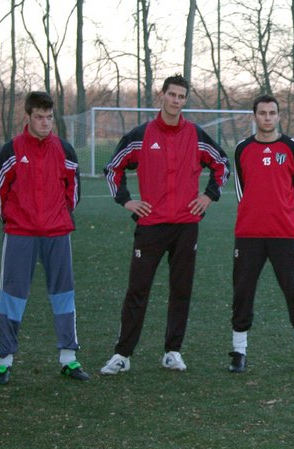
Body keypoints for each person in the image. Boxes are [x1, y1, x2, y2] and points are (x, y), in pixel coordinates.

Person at [100, 74, 230, 376]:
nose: (176, 101)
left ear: (186, 100)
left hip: (186, 225)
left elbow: (221, 163)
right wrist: (126, 200)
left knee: (181, 289)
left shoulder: (196, 135)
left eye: (182, 97)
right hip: (151, 225)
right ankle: (122, 354)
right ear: (162, 95)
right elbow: (113, 168)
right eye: (172, 95)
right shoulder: (141, 135)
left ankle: (172, 352)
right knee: (138, 289)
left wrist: (209, 196)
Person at [0, 90, 89, 384]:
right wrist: (16, 221)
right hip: (20, 234)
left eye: (49, 117)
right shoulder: (11, 151)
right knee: (12, 298)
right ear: (28, 116)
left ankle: (68, 359)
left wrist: (59, 217)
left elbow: (74, 191)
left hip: (57, 234)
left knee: (63, 296)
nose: (45, 123)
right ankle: (3, 361)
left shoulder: (66, 150)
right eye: (39, 117)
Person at [229, 95, 294, 373]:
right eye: (262, 113)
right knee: (243, 292)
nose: (267, 117)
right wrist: (255, 212)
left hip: (284, 233)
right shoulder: (242, 149)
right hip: (249, 233)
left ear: (278, 116)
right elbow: (242, 190)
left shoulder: (292, 147)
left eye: (272, 113)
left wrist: (286, 215)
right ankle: (238, 352)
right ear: (254, 116)